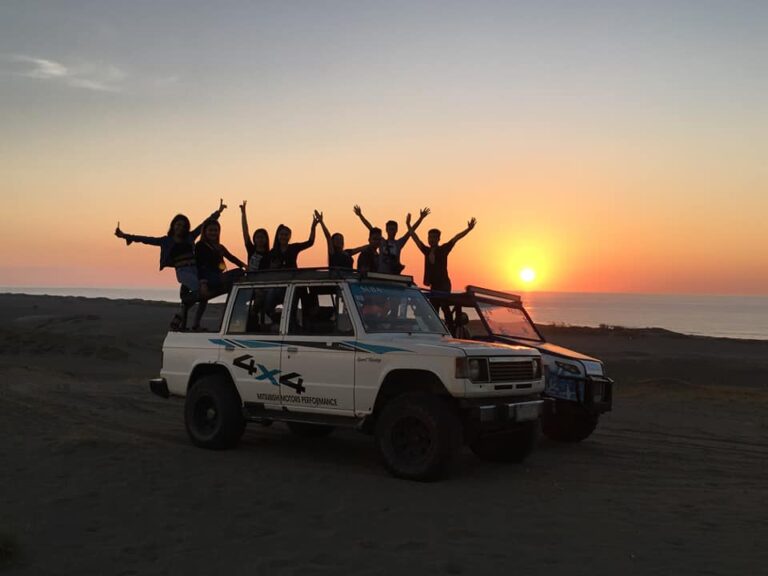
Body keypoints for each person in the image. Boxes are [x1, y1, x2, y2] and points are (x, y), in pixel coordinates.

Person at [114, 199, 226, 329]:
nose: (180, 228)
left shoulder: (190, 237)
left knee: (202, 297)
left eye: (183, 226)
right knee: (201, 292)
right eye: (178, 225)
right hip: (183, 272)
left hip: (195, 270)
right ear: (173, 226)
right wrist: (126, 236)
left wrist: (218, 212)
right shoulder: (166, 241)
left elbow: (204, 224)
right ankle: (180, 316)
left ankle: (194, 324)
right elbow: (146, 239)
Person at [407, 215, 477, 332]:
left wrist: (468, 229)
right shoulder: (426, 251)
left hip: (444, 284)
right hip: (434, 285)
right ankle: (436, 330)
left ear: (439, 239)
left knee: (445, 307)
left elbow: (455, 238)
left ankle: (451, 329)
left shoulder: (443, 249)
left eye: (434, 237)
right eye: (430, 237)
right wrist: (409, 225)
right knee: (434, 310)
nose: (432, 239)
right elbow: (415, 239)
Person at [193, 219, 247, 330]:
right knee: (239, 273)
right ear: (205, 231)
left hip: (217, 277)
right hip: (209, 278)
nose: (213, 233)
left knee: (204, 302)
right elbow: (200, 264)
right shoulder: (200, 245)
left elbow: (231, 257)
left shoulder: (219, 247)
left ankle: (195, 324)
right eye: (210, 230)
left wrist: (244, 265)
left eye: (216, 230)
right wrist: (203, 282)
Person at [352, 205, 430, 274]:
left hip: (393, 274)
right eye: (390, 229)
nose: (391, 231)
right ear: (386, 229)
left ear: (396, 230)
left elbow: (410, 232)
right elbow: (370, 227)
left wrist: (420, 218)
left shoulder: (399, 243)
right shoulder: (381, 241)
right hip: (381, 274)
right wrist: (360, 215)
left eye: (393, 229)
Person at [239, 200, 271, 273]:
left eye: (262, 237)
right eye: (258, 237)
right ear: (254, 239)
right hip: (251, 280)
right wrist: (243, 214)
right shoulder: (251, 249)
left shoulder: (270, 254)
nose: (260, 239)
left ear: (266, 239)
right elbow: (245, 232)